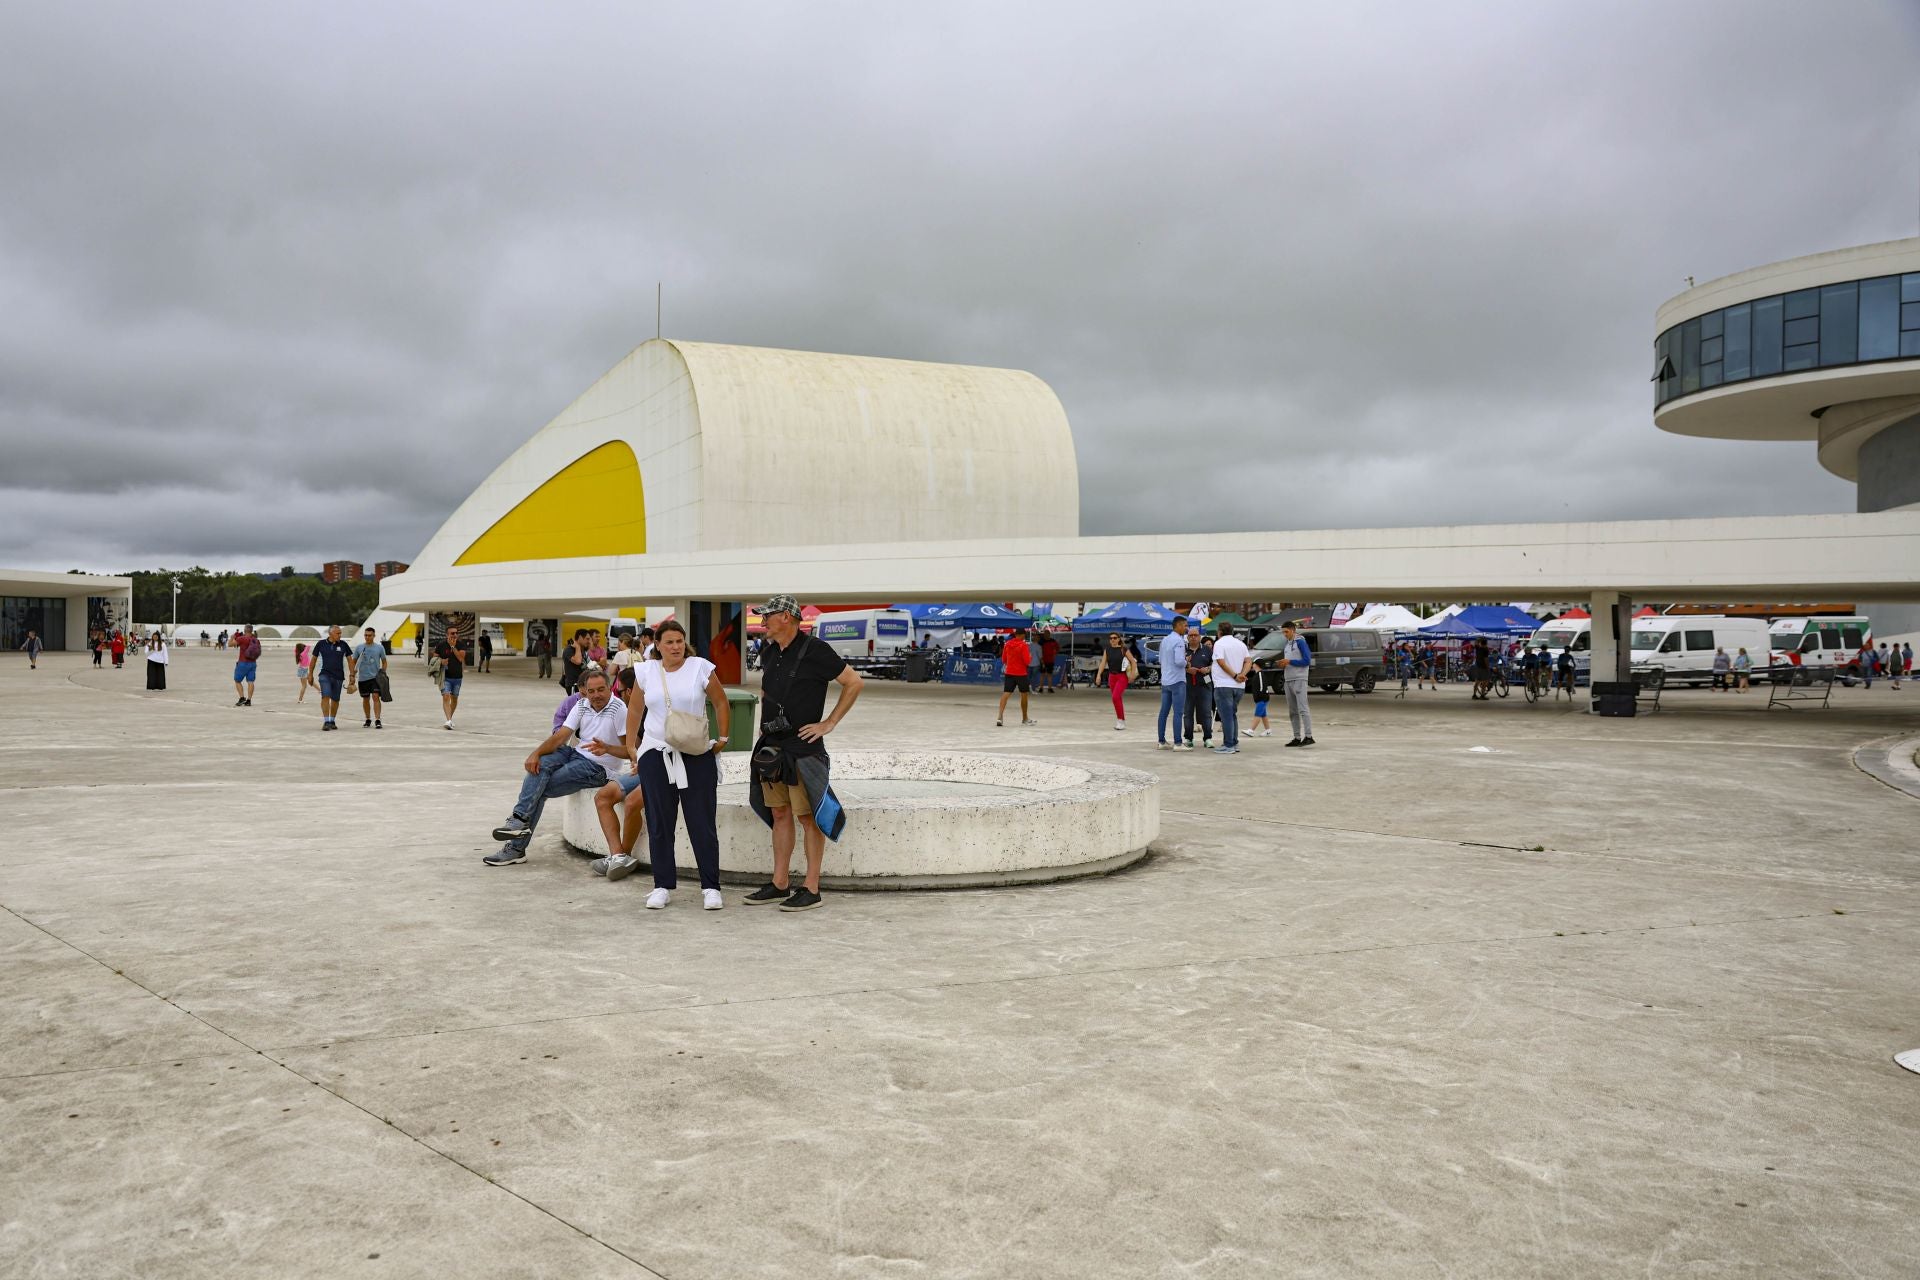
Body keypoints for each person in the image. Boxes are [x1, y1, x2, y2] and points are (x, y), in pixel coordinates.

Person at [742, 594, 863, 913]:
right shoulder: (768, 651)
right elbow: (767, 691)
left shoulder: (816, 650)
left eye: (767, 615)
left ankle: (811, 888)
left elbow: (853, 683)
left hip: (804, 747)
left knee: (808, 817)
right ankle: (780, 882)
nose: (762, 620)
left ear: (786, 617)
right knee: (779, 814)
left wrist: (829, 722)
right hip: (772, 747)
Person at [610, 620, 731, 908]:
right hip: (656, 753)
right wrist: (631, 746)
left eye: (679, 641)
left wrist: (723, 737)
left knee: (701, 821)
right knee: (660, 822)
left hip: (695, 751)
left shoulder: (700, 667)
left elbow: (721, 702)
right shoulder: (646, 671)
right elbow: (636, 708)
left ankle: (710, 887)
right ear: (658, 646)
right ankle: (662, 885)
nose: (675, 646)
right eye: (669, 642)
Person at [484, 668, 627, 866]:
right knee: (540, 765)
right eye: (591, 691)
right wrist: (536, 754)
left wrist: (608, 748)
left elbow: (631, 750)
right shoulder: (582, 705)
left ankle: (516, 843)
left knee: (539, 789)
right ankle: (518, 822)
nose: (596, 695)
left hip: (599, 768)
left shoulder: (618, 709)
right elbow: (561, 737)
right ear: (584, 690)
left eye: (601, 690)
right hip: (575, 753)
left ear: (610, 688)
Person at [589, 667, 647, 876]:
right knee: (603, 797)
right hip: (644, 768)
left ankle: (623, 855)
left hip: (665, 769)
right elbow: (635, 751)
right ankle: (618, 856)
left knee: (632, 802)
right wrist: (608, 748)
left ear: (631, 691)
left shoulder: (655, 709)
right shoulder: (633, 712)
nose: (617, 695)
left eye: (619, 691)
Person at [1211, 622, 1251, 754]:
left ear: (1219, 632)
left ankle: (1228, 745)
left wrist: (1235, 675)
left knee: (1226, 716)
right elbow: (1248, 661)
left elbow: (1221, 662)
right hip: (1239, 686)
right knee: (1232, 715)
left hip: (1224, 684)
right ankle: (1234, 742)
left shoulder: (1219, 643)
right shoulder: (1241, 644)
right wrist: (1242, 674)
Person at [309, 624, 353, 731]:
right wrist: (310, 674)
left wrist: (352, 675)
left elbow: (350, 660)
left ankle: (332, 720)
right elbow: (313, 659)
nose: (340, 635)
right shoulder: (321, 644)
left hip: (339, 676)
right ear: (330, 633)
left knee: (335, 699)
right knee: (325, 696)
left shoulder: (343, 644)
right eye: (338, 633)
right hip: (325, 674)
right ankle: (326, 721)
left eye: (340, 633)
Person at [1155, 616, 1191, 750]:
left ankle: (1161, 741)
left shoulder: (1165, 640)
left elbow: (1161, 659)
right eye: (1185, 626)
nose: (1186, 628)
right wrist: (1187, 662)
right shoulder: (1179, 641)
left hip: (1166, 680)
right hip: (1177, 679)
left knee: (1163, 711)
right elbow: (1179, 661)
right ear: (1179, 626)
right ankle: (1178, 742)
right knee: (1178, 712)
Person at [1094, 630, 1137, 730]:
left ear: (1118, 639)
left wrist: (1132, 674)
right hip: (1111, 677)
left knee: (1115, 697)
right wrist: (1098, 675)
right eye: (1111, 638)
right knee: (1117, 699)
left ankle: (1120, 720)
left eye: (1114, 638)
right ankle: (1121, 720)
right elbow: (1103, 663)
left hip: (1122, 676)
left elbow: (1133, 662)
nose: (1112, 640)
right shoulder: (1107, 650)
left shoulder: (1124, 649)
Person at [995, 629, 1035, 727]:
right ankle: (1025, 718)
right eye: (1024, 636)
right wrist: (1030, 657)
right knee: (1024, 695)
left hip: (1010, 673)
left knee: (1006, 694)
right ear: (1021, 635)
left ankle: (1000, 717)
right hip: (1021, 674)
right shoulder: (1023, 645)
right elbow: (1027, 662)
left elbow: (1004, 659)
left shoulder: (1007, 644)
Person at [352, 626, 388, 728]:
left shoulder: (379, 648)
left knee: (376, 696)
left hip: (375, 678)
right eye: (365, 635)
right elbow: (353, 662)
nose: (367, 637)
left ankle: (377, 719)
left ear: (374, 636)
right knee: (365, 699)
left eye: (369, 635)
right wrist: (352, 675)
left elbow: (384, 662)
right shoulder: (359, 648)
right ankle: (368, 719)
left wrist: (383, 672)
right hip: (363, 678)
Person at [1185, 629, 1215, 748]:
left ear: (1199, 637)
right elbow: (1177, 665)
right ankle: (1188, 738)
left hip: (1205, 684)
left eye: (1195, 635)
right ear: (1187, 637)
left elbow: (1215, 664)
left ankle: (1207, 738)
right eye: (1190, 635)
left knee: (1207, 713)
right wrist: (1187, 669)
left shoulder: (1207, 650)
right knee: (1187, 713)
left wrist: (1208, 669)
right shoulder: (1183, 650)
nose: (1193, 637)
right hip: (1188, 686)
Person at [436, 628, 468, 729]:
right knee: (446, 696)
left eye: (456, 633)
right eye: (452, 633)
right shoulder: (441, 645)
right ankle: (449, 720)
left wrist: (453, 647)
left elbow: (460, 658)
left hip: (457, 677)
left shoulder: (460, 644)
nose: (455, 635)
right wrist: (441, 661)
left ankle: (449, 719)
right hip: (445, 677)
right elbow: (434, 658)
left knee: (454, 699)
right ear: (447, 635)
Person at [232, 625, 262, 706]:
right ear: (251, 631)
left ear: (245, 630)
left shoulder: (242, 638)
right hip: (253, 663)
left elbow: (230, 644)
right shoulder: (256, 640)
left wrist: (232, 638)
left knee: (237, 681)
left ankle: (242, 698)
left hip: (243, 663)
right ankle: (249, 700)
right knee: (250, 681)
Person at [1246, 661, 1273, 736]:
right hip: (1260, 699)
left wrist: (1260, 697)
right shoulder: (1256, 674)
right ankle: (1268, 730)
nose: (1252, 664)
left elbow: (1262, 686)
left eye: (1253, 663)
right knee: (1263, 715)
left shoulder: (1260, 674)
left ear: (1257, 665)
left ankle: (1251, 730)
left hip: (1262, 698)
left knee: (1257, 714)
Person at [561, 629, 589, 693]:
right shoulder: (569, 650)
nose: (588, 641)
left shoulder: (582, 650)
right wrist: (577, 647)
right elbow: (578, 661)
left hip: (582, 684)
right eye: (587, 639)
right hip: (573, 685)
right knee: (575, 703)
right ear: (580, 637)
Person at [1038, 629, 1061, 694]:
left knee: (1049, 675)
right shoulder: (1041, 642)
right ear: (1044, 634)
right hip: (1042, 660)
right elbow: (1038, 651)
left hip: (1050, 660)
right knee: (1042, 675)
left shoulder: (1053, 641)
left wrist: (1055, 654)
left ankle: (1050, 688)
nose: (1046, 635)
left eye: (1047, 633)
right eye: (1045, 634)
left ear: (1049, 634)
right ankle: (1041, 688)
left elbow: (1058, 648)